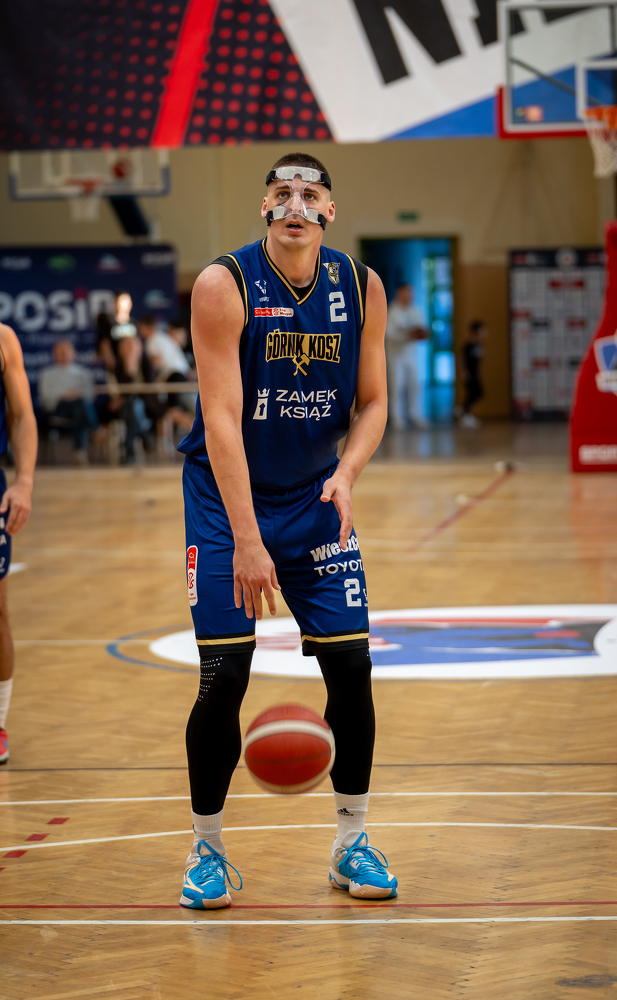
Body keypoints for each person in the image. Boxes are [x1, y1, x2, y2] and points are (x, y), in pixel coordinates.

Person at [177, 152, 397, 910]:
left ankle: (352, 842)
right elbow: (219, 420)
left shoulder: (360, 287)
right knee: (224, 674)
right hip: (225, 498)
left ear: (329, 211)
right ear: (266, 209)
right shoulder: (223, 285)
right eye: (281, 193)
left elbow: (373, 402)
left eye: (310, 193)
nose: (295, 203)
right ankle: (206, 850)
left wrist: (348, 474)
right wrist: (246, 538)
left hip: (314, 495)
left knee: (352, 667)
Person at [0, 323, 38, 763]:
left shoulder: (3, 339)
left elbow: (22, 414)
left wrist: (24, 480)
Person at [38, 340, 98, 464]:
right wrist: (64, 395)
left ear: (73, 353)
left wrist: (77, 394)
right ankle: (96, 430)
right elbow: (44, 396)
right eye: (61, 352)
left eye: (66, 352)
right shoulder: (47, 373)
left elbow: (91, 394)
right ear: (54, 354)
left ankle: (79, 453)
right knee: (80, 408)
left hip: (78, 407)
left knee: (80, 410)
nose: (64, 355)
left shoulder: (82, 372)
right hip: (57, 408)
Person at [385, 283, 428, 430]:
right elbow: (388, 334)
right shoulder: (392, 311)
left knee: (414, 385)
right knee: (396, 386)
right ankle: (397, 418)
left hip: (411, 354)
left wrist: (420, 334)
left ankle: (415, 415)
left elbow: (421, 328)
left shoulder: (415, 310)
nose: (408, 297)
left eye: (410, 294)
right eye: (405, 294)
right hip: (395, 356)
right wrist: (407, 335)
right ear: (398, 294)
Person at [459, 319, 487, 428]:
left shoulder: (479, 344)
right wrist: (463, 371)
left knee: (478, 393)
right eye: (482, 330)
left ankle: (463, 411)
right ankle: (464, 413)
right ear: (477, 331)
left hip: (476, 373)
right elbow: (462, 358)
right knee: (473, 393)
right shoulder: (468, 345)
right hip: (469, 373)